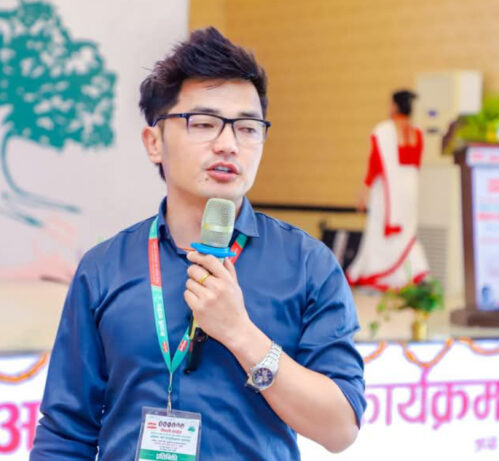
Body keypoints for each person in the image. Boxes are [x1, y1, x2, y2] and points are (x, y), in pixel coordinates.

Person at [30, 27, 365, 460]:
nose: (228, 144)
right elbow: (66, 431)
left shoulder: (307, 265)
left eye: (247, 128)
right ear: (154, 142)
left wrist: (240, 333)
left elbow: (340, 429)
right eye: (204, 123)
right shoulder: (104, 267)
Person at [347, 90, 429, 290]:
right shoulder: (418, 132)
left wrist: (364, 191)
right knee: (406, 232)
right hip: (410, 190)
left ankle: (381, 276)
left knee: (380, 232)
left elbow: (375, 164)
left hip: (386, 192)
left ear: (394, 106)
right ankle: (408, 274)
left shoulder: (384, 130)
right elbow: (417, 164)